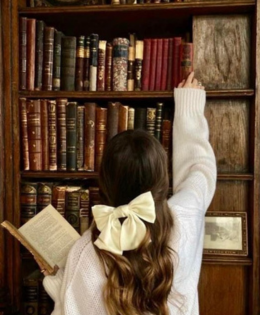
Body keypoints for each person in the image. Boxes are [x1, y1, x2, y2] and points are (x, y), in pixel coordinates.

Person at [41, 72, 217, 315]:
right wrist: (190, 105)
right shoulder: (186, 215)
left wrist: (56, 281)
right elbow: (200, 169)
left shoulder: (85, 252)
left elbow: (71, 308)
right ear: (162, 179)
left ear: (104, 183)